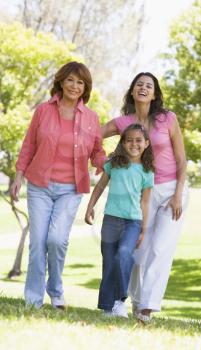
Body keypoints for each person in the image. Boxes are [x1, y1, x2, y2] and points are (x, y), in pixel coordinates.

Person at [10, 61, 106, 309]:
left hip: (71, 189)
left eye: (80, 82)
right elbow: (29, 144)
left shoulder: (91, 118)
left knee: (56, 240)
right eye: (71, 80)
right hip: (39, 185)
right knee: (38, 241)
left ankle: (55, 290)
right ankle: (33, 300)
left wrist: (102, 163)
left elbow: (97, 149)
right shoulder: (43, 110)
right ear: (61, 82)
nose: (75, 86)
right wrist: (19, 175)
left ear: (85, 87)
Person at [102, 72, 189, 322]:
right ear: (132, 91)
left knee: (161, 249)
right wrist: (102, 158)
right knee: (138, 250)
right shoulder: (123, 122)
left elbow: (182, 159)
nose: (143, 88)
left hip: (173, 189)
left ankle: (147, 308)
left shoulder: (168, 119)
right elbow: (93, 135)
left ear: (155, 94)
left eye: (148, 86)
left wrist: (178, 194)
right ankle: (135, 302)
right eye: (139, 84)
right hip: (143, 193)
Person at [85, 124, 154, 318]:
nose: (134, 144)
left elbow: (146, 202)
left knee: (123, 254)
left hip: (132, 222)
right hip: (110, 221)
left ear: (146, 144)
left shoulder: (147, 171)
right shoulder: (113, 164)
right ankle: (108, 307)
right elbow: (99, 187)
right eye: (129, 140)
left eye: (139, 140)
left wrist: (143, 229)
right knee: (109, 262)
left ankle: (120, 300)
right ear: (123, 143)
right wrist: (90, 207)